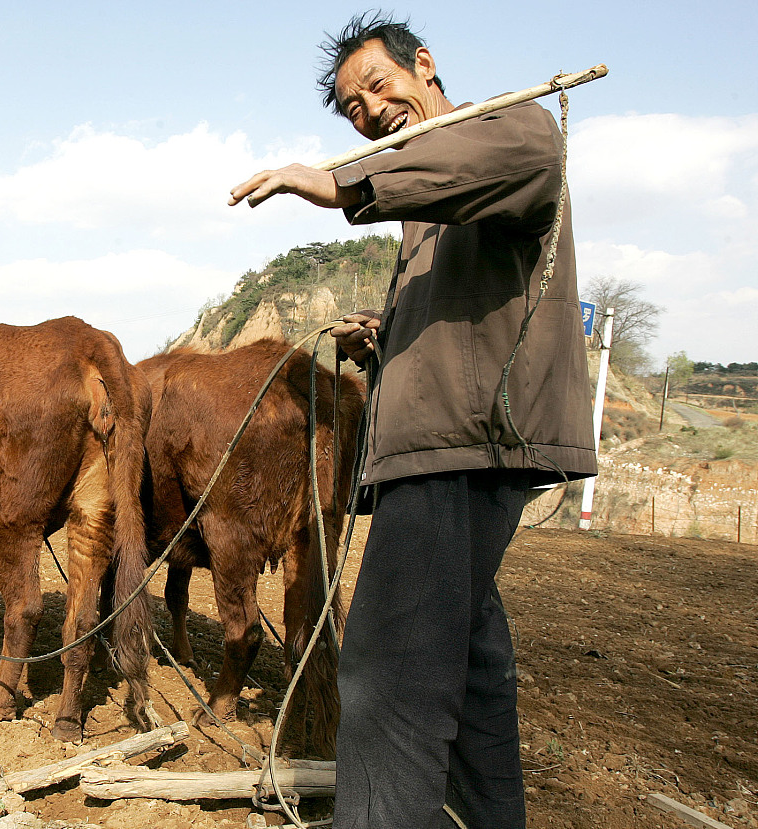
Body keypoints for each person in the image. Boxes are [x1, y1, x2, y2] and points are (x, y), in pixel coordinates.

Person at [230, 12, 597, 829]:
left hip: (459, 448)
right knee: (468, 659)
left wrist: (338, 184)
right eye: (353, 109)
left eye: (377, 84)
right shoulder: (432, 205)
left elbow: (524, 158)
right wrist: (384, 331)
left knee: (389, 671)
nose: (370, 111)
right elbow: (461, 322)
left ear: (424, 64)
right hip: (449, 441)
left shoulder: (514, 127)